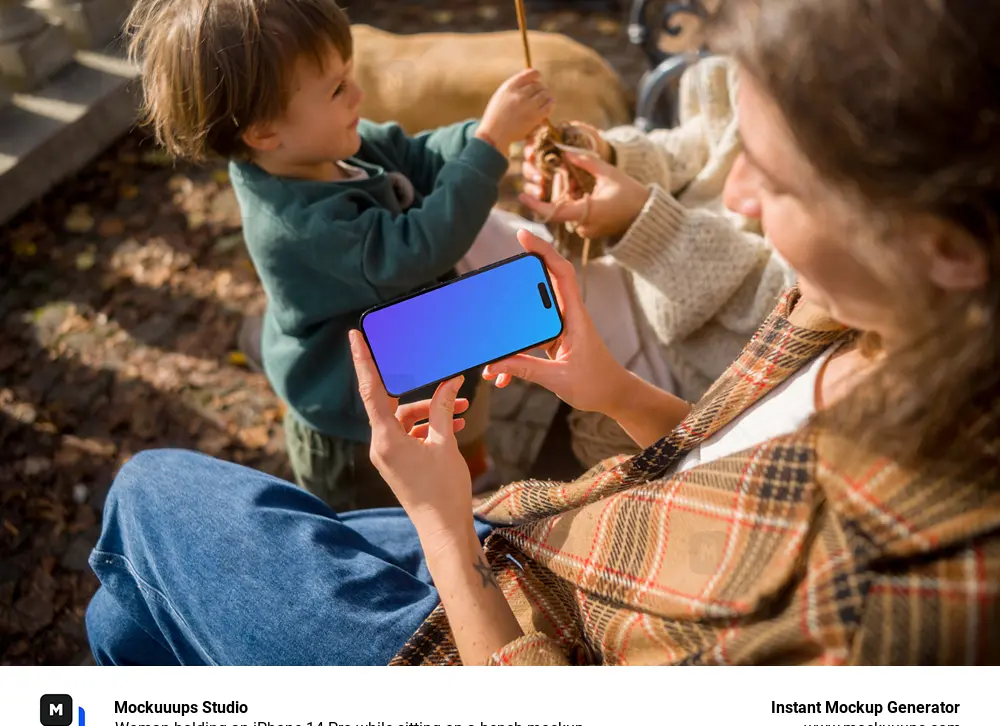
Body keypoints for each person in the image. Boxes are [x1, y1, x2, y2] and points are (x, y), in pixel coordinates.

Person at [88, 0, 999, 665]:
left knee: (144, 496)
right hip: (528, 535)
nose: (741, 205)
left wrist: (444, 530)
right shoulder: (852, 312)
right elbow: (721, 471)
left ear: (948, 247)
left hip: (477, 633)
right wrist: (613, 393)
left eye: (779, 183)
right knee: (127, 611)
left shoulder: (890, 611)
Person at [125, 0, 553, 509]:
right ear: (264, 131)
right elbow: (414, 248)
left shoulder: (325, 144)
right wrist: (489, 144)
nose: (358, 94)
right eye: (336, 88)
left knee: (468, 382)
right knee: (394, 519)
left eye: (347, 75)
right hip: (357, 428)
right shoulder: (300, 226)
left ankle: (471, 473)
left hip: (411, 342)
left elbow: (416, 153)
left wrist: (479, 135)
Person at [519, 54, 797, 465]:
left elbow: (787, 306)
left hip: (706, 366)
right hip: (638, 286)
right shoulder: (759, 47)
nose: (734, 192)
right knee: (490, 259)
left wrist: (644, 223)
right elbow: (702, 144)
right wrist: (608, 157)